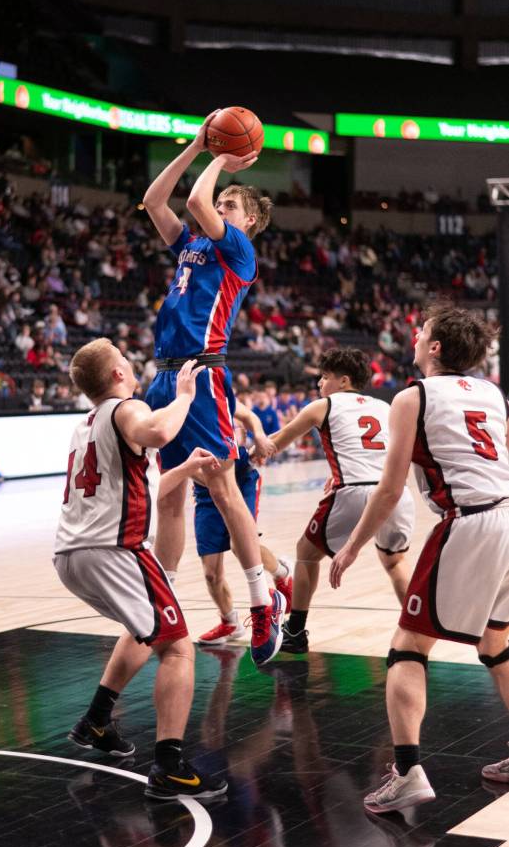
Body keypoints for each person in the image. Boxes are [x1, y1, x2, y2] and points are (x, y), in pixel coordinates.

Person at [329, 307, 509, 812]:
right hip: (507, 515)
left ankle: (407, 771)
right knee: (496, 642)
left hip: (469, 520)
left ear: (434, 348)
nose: (415, 334)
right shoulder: (494, 393)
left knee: (407, 647)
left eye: (423, 331)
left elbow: (388, 491)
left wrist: (353, 545)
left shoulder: (412, 396)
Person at [54, 338, 228, 802]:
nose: (132, 368)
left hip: (71, 557)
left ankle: (96, 719)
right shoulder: (125, 409)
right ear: (115, 376)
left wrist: (184, 468)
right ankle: (170, 765)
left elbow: (141, 484)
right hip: (114, 551)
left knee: (144, 629)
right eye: (125, 363)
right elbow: (156, 432)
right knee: (178, 649)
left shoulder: (86, 425)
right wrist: (186, 397)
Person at [142, 113, 286, 667]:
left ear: (248, 221)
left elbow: (198, 203)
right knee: (172, 492)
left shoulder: (238, 253)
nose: (218, 207)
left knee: (222, 488)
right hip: (163, 375)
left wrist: (222, 157)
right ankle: (166, 601)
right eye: (221, 201)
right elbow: (157, 201)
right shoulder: (191, 246)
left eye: (231, 205)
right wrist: (195, 145)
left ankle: (260, 601)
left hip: (202, 375)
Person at [257, 347, 414, 655]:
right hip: (395, 492)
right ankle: (414, 629)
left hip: (355, 491)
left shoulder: (323, 406)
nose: (319, 384)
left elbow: (276, 442)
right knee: (395, 561)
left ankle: (296, 631)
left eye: (325, 377)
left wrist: (244, 451)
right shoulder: (383, 406)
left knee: (305, 551)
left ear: (343, 381)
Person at [196, 400, 292, 646]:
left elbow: (248, 420)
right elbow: (184, 467)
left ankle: (282, 574)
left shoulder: (216, 394)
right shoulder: (177, 409)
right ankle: (230, 623)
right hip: (207, 492)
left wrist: (258, 440)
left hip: (242, 481)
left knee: (241, 546)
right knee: (210, 573)